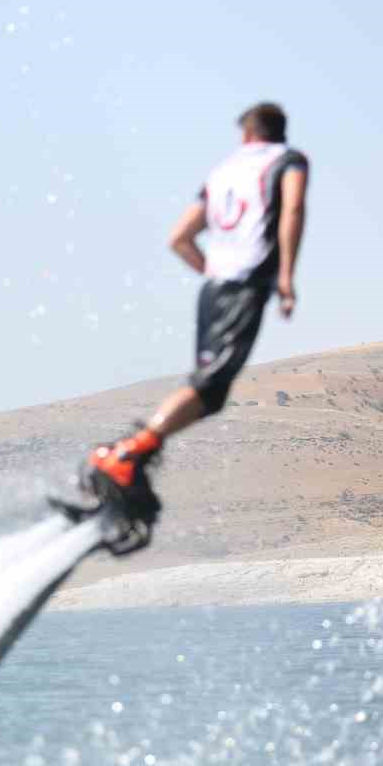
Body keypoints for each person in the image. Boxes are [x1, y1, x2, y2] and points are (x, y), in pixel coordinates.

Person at [71, 102, 310, 531]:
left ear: (245, 135)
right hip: (244, 285)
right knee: (208, 385)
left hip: (214, 288)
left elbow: (180, 238)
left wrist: (213, 272)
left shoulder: (220, 173)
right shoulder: (288, 162)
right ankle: (126, 454)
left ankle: (134, 455)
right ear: (279, 132)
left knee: (211, 391)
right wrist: (285, 278)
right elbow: (292, 210)